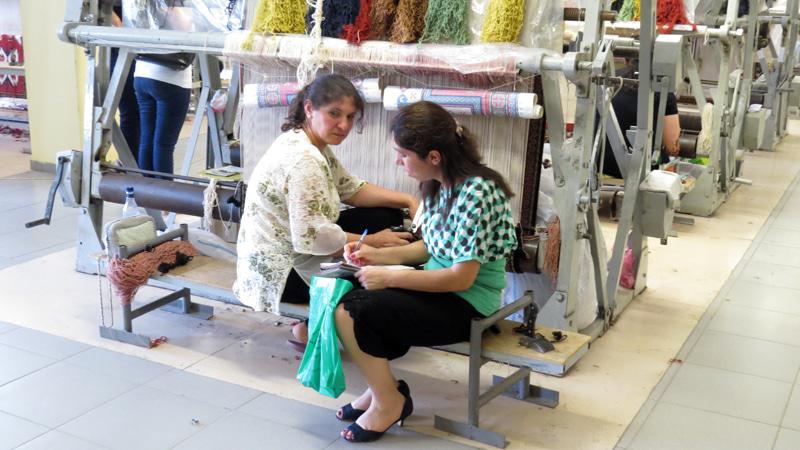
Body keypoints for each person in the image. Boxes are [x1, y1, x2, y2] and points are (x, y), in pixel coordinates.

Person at [332, 101, 518, 443]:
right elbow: (431, 248)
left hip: (468, 304)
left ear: (433, 156)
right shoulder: (437, 183)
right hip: (441, 289)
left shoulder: (478, 193)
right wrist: (375, 255)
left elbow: (461, 277)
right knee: (342, 289)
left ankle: (389, 401)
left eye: (403, 155)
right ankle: (383, 389)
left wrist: (390, 276)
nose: (398, 162)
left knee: (352, 311)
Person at [233, 74, 419, 328]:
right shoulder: (304, 159)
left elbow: (350, 189)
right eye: (334, 114)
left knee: (386, 215)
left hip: (296, 247)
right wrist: (373, 242)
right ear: (309, 109)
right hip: (281, 274)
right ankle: (311, 327)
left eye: (350, 117)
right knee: (378, 283)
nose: (344, 125)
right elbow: (312, 238)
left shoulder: (307, 142)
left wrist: (408, 200)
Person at [133, 2, 193, 175]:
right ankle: (163, 191)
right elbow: (185, 25)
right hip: (169, 76)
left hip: (142, 72)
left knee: (147, 139)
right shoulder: (170, 5)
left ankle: (147, 189)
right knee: (163, 144)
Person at [602, 60, 681, 178]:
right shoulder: (662, 88)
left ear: (626, 60)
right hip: (640, 173)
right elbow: (672, 146)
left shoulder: (608, 80)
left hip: (601, 167)